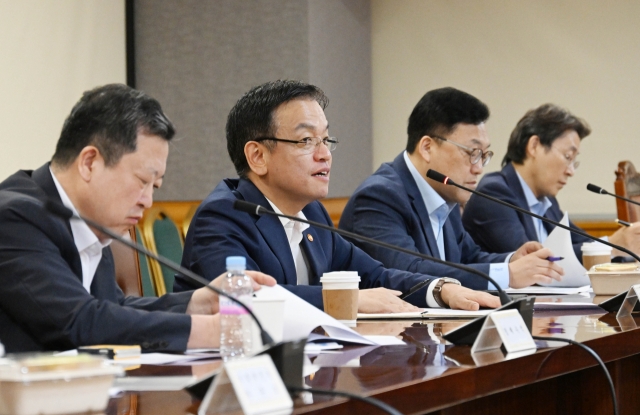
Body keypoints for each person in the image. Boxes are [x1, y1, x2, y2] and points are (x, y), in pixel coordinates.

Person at [177, 80, 499, 312]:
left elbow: (375, 275)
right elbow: (245, 301)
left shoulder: (311, 214)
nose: (324, 155)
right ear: (258, 156)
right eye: (306, 141)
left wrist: (440, 289)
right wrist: (348, 300)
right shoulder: (222, 217)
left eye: (326, 140)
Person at [0, 84, 274, 354]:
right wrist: (211, 331)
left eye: (154, 187)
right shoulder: (14, 217)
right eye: (142, 181)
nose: (147, 201)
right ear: (89, 163)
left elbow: (112, 310)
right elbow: (79, 321)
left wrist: (198, 302)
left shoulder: (92, 218)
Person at [340, 87, 563, 290]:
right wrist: (506, 275)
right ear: (427, 147)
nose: (478, 169)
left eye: (484, 155)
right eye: (472, 153)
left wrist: (511, 260)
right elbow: (409, 272)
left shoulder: (445, 192)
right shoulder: (379, 197)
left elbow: (467, 258)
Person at [462, 103, 640, 261]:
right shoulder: (494, 193)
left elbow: (582, 242)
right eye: (567, 157)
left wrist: (625, 248)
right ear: (534, 146)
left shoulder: (547, 201)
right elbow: (532, 261)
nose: (570, 171)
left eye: (574, 162)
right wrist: (612, 246)